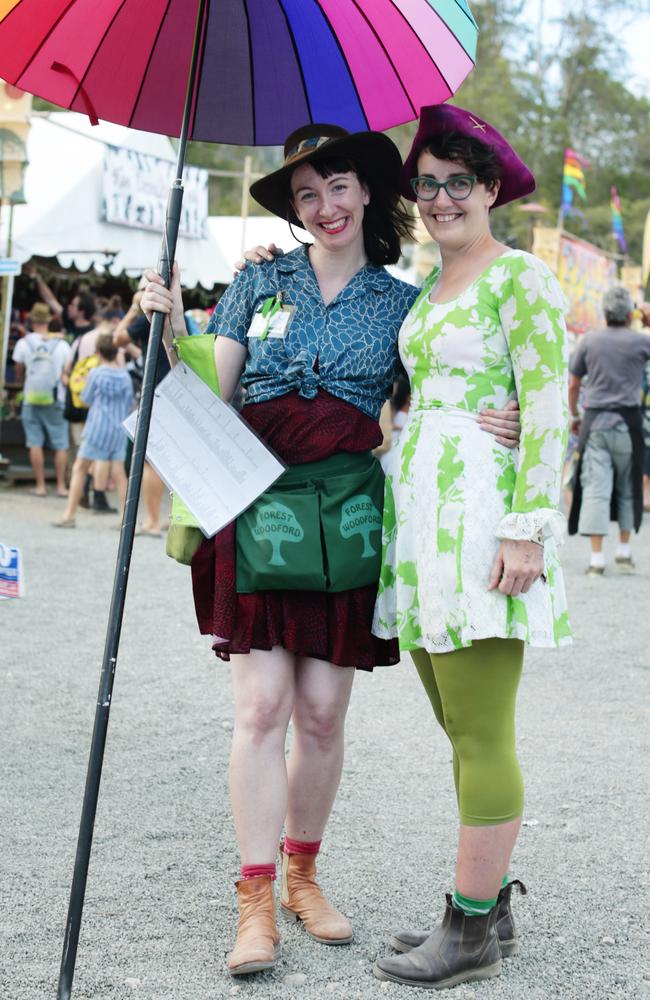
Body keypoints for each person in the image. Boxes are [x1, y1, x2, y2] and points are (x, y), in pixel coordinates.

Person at [140, 123, 522, 979]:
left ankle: (305, 876)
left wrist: (513, 416)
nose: (324, 206)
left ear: (366, 192)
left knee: (320, 715)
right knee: (261, 711)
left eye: (338, 186)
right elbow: (211, 392)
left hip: (348, 514)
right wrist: (165, 334)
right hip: (260, 503)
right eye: (306, 194)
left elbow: (447, 388)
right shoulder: (257, 284)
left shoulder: (403, 303)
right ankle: (255, 902)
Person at [366, 105, 571, 991]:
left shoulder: (519, 278)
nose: (442, 198)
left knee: (483, 728)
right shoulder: (425, 290)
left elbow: (549, 406)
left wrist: (526, 530)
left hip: (486, 525)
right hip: (423, 524)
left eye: (459, 182)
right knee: (454, 725)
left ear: (490, 189)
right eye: (428, 184)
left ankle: (470, 929)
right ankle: (491, 901)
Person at [568, 286, 650, 575]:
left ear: (604, 313)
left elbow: (574, 384)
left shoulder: (589, 341)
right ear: (630, 313)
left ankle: (596, 559)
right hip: (629, 425)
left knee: (596, 488)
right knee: (629, 486)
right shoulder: (641, 342)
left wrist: (575, 414)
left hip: (596, 423)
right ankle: (624, 552)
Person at [54, 333, 133, 528]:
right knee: (119, 474)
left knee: (80, 468)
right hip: (117, 430)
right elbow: (130, 403)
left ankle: (69, 515)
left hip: (97, 428)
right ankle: (125, 519)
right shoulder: (125, 376)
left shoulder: (96, 373)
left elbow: (86, 399)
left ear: (98, 353)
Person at [114, 279, 168, 536]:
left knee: (150, 460)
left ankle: (153, 521)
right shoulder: (171, 309)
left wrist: (134, 308)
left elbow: (118, 338)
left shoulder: (148, 313)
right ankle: (159, 519)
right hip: (170, 388)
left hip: (155, 391)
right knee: (161, 460)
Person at [12, 302, 71, 497]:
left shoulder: (24, 343)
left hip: (31, 397)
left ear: (31, 320)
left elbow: (18, 368)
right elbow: (68, 370)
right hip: (55, 399)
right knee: (60, 443)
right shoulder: (62, 345)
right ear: (48, 321)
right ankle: (61, 486)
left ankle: (40, 486)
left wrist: (22, 380)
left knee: (34, 442)